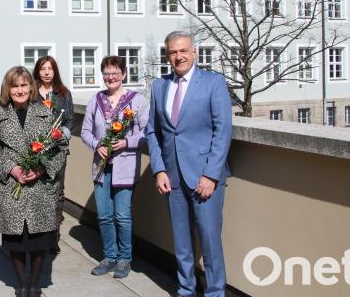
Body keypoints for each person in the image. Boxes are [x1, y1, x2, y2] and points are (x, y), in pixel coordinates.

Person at [146, 31, 233, 297]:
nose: (178, 56)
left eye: (183, 50)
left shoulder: (213, 82)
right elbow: (153, 131)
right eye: (173, 52)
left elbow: (222, 131)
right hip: (172, 178)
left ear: (194, 52)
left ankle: (215, 292)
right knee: (181, 242)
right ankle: (186, 290)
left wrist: (211, 175)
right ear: (167, 56)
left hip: (205, 178)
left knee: (210, 242)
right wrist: (159, 169)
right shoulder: (159, 86)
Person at [0, 66, 67, 297]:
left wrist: (41, 169)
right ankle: (21, 283)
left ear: (31, 87)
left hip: (40, 187)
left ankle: (35, 283)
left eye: (23, 85)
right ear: (7, 89)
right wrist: (11, 169)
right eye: (14, 86)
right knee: (15, 239)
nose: (19, 90)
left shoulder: (45, 113)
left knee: (40, 239)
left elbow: (60, 147)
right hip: (11, 186)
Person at [80, 56, 149, 279]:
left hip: (125, 166)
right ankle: (109, 257)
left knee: (122, 215)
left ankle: (124, 259)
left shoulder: (137, 101)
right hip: (101, 167)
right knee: (104, 216)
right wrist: (96, 144)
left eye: (115, 73)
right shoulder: (96, 100)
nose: (111, 77)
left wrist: (127, 142)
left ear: (124, 74)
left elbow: (147, 133)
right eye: (107, 73)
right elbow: (85, 132)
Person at [32, 55, 74, 254]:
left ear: (55, 70)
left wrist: (61, 135)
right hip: (35, 151)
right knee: (38, 192)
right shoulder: (31, 93)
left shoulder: (63, 93)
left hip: (57, 151)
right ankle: (37, 234)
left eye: (50, 68)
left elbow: (70, 120)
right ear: (37, 71)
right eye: (43, 68)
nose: (47, 72)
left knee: (57, 193)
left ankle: (53, 236)